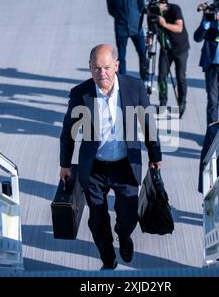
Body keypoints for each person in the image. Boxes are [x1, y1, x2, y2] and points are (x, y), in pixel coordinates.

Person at [59, 44, 162, 270]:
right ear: (89, 68)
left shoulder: (134, 88)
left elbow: (148, 124)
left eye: (106, 67)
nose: (102, 73)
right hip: (94, 168)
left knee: (128, 216)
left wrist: (155, 155)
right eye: (96, 69)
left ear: (116, 66)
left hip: (125, 166)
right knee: (97, 220)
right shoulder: (80, 94)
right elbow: (68, 132)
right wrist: (65, 164)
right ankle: (108, 259)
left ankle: (123, 236)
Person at [150, 0, 190, 118]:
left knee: (180, 77)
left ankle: (182, 102)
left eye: (164, 1)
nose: (163, 3)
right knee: (162, 76)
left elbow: (179, 28)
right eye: (159, 1)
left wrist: (164, 23)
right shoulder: (153, 12)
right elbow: (152, 30)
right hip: (165, 49)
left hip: (180, 48)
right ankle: (162, 102)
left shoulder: (174, 9)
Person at [107, 0, 147, 80]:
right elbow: (111, 11)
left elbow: (141, 6)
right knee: (121, 57)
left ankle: (145, 79)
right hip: (121, 30)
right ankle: (123, 80)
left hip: (136, 29)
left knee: (143, 54)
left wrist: (135, 19)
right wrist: (121, 18)